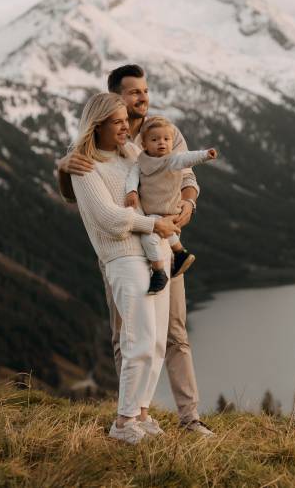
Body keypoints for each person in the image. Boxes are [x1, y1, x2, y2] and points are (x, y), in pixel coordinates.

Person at [58, 64, 214, 435]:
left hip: (160, 246)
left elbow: (184, 172)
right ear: (114, 101)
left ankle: (172, 416)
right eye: (133, 93)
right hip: (127, 250)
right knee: (130, 335)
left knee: (166, 334)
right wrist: (63, 167)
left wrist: (186, 206)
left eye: (145, 91)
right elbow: (85, 199)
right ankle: (127, 415)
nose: (141, 98)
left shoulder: (152, 137)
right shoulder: (98, 150)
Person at [68, 92, 179, 444]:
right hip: (124, 257)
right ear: (97, 126)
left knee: (158, 341)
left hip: (157, 252)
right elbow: (108, 219)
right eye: (117, 122)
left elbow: (163, 171)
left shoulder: (131, 153)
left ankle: (142, 413)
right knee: (138, 341)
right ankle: (123, 422)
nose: (125, 127)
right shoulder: (85, 166)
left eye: (125, 120)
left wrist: (183, 202)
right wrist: (153, 225)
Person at [124, 115, 218, 294]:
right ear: (144, 145)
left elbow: (188, 158)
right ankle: (180, 252)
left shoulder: (173, 160)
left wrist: (205, 155)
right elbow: (132, 176)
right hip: (152, 209)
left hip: (166, 209)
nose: (162, 143)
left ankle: (158, 271)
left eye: (166, 139)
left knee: (148, 238)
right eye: (155, 139)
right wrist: (132, 191)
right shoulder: (142, 161)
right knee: (167, 231)